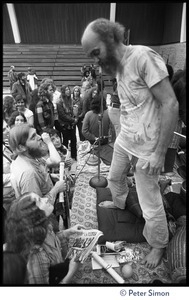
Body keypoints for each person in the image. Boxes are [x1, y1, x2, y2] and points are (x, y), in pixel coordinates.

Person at [81, 18, 179, 268]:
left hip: (149, 145)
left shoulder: (143, 57)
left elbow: (170, 104)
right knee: (114, 178)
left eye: (96, 52)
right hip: (127, 138)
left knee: (149, 200)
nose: (95, 61)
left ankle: (158, 243)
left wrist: (159, 153)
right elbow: (129, 107)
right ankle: (120, 202)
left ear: (111, 40)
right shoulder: (118, 68)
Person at [5, 192, 85, 284]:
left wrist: (68, 232)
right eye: (40, 201)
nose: (46, 199)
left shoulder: (43, 226)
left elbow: (52, 239)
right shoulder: (36, 257)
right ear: (33, 217)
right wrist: (72, 271)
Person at [9, 123, 65, 205]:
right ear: (22, 147)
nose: (40, 137)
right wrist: (56, 189)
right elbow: (37, 209)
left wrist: (50, 177)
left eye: (36, 134)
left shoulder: (31, 156)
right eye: (33, 137)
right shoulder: (28, 174)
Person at [57, 85, 77, 161]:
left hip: (72, 124)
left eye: (69, 89)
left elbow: (75, 111)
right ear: (63, 92)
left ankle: (74, 156)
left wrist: (75, 118)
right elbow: (62, 115)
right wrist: (72, 120)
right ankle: (65, 157)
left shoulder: (71, 100)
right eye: (66, 90)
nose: (68, 91)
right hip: (64, 124)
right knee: (65, 140)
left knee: (73, 140)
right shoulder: (59, 102)